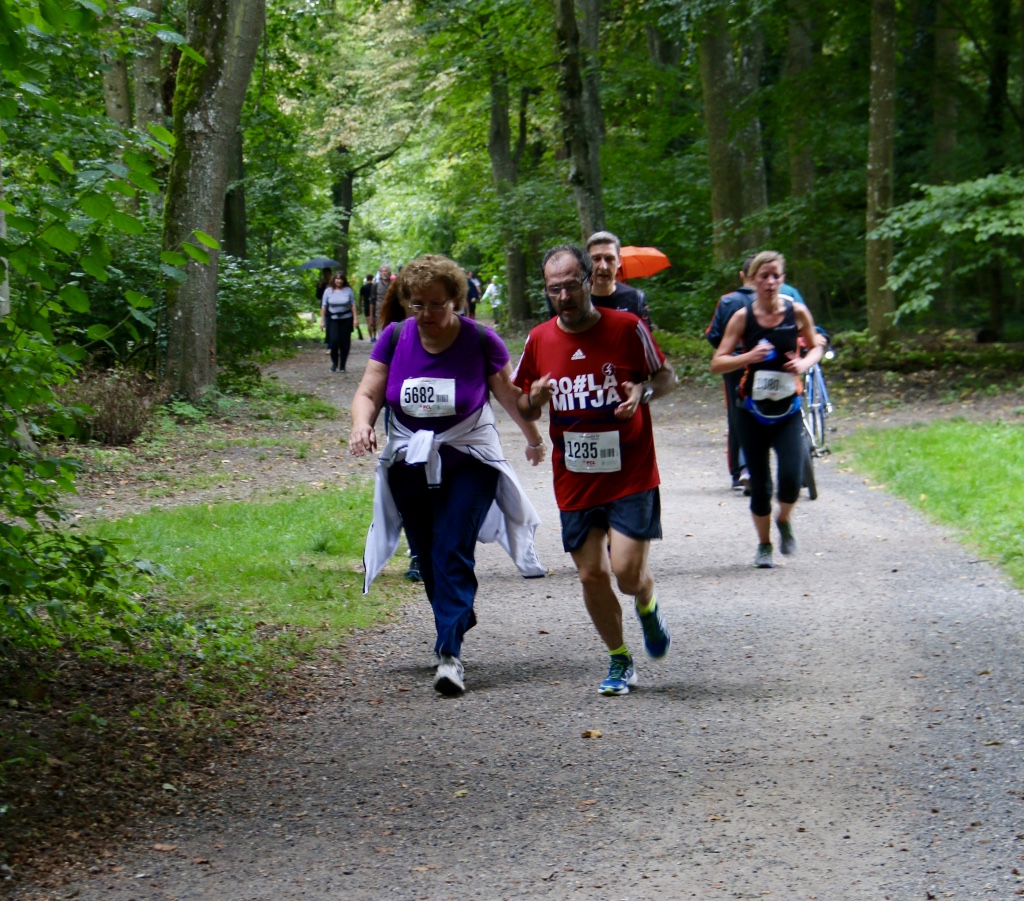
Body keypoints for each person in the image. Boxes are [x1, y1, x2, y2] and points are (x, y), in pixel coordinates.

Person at [349, 254, 547, 696]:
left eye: (436, 304)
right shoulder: (395, 337)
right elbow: (369, 391)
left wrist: (534, 439)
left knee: (452, 547)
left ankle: (449, 654)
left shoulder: (480, 339)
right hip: (409, 462)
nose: (427, 314)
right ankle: (456, 613)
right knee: (427, 555)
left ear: (456, 300)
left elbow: (508, 394)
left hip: (469, 460)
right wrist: (361, 424)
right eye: (417, 304)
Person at [512, 244, 677, 696]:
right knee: (590, 575)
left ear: (589, 280)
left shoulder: (627, 327)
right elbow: (522, 402)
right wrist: (535, 400)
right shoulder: (539, 340)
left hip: (630, 472)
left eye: (570, 286)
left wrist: (642, 392)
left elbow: (667, 377)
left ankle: (647, 601)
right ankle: (619, 659)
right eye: (554, 289)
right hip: (575, 476)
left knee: (626, 574)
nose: (563, 297)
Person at [711, 251, 823, 569]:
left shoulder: (796, 311)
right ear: (752, 280)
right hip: (751, 411)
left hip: (788, 410)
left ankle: (784, 519)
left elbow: (817, 346)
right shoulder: (742, 317)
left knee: (791, 478)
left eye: (776, 276)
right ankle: (764, 545)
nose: (771, 282)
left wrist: (803, 363)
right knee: (760, 486)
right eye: (764, 276)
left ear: (783, 279)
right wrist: (748, 357)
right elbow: (718, 362)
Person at [705, 255, 756, 493]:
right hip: (764, 363)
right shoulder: (774, 301)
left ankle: (738, 471)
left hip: (734, 365)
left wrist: (727, 351)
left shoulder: (727, 301)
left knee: (736, 417)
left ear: (742, 275)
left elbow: (713, 334)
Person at [585, 231, 653, 331]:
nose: (603, 266)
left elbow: (644, 337)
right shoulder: (575, 298)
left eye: (609, 259)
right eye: (596, 259)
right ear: (586, 261)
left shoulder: (635, 298)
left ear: (619, 261)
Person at [320, 273, 358, 373]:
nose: (339, 281)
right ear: (334, 280)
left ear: (344, 280)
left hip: (346, 318)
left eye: (341, 279)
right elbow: (324, 306)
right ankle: (334, 363)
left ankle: (342, 365)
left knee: (345, 343)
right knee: (334, 341)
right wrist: (322, 320)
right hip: (333, 319)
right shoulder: (328, 291)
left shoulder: (348, 290)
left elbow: (353, 304)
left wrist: (355, 319)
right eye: (337, 279)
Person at [370, 265, 391, 343]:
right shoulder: (375, 286)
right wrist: (371, 317)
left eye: (385, 271)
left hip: (392, 314)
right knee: (382, 336)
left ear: (389, 273)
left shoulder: (394, 285)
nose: (384, 273)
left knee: (391, 336)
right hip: (379, 314)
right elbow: (372, 302)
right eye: (382, 271)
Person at [359, 275, 375, 339]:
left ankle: (371, 337)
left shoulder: (363, 287)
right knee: (374, 321)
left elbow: (361, 298)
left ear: (366, 279)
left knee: (368, 323)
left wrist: (360, 306)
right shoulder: (374, 286)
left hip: (366, 305)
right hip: (374, 305)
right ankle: (375, 336)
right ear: (372, 279)